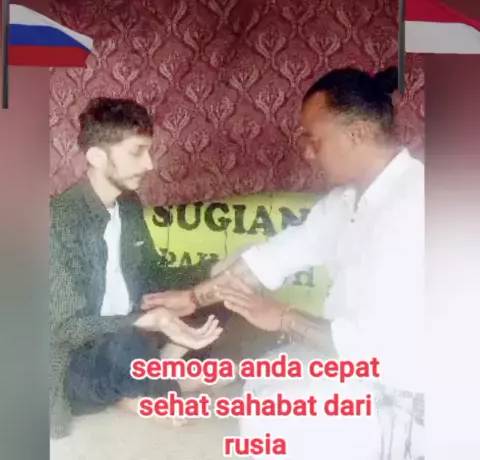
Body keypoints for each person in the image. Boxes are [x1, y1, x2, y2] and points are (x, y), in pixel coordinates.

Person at [148, 67, 425, 459]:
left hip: (407, 400)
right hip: (357, 369)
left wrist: (285, 318)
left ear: (357, 134)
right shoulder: (347, 202)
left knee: (275, 410)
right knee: (266, 384)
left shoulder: (414, 206)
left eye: (314, 140)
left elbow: (378, 350)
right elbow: (269, 260)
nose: (308, 154)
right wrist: (193, 298)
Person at [50, 97, 228, 439]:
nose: (149, 164)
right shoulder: (58, 221)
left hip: (137, 323)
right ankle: (151, 383)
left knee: (222, 288)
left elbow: (152, 272)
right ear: (97, 157)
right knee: (128, 344)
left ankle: (154, 373)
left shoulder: (129, 204)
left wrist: (210, 275)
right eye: (137, 152)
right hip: (85, 352)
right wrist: (143, 321)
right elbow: (64, 330)